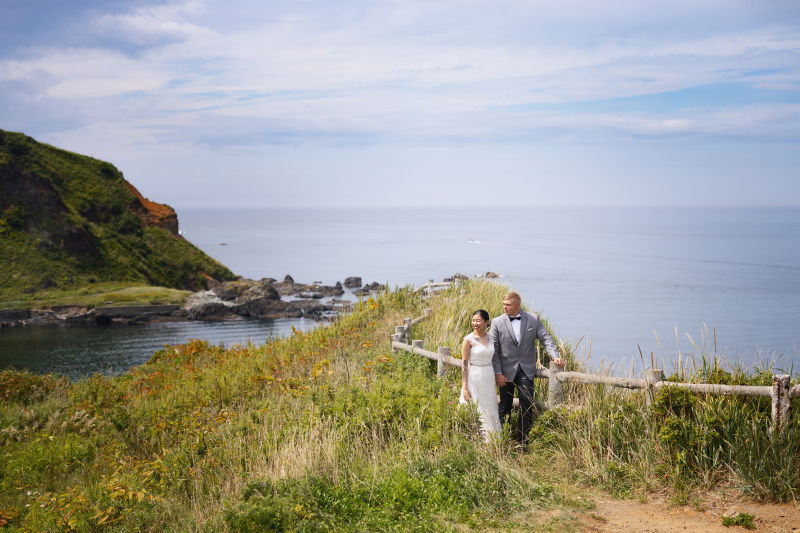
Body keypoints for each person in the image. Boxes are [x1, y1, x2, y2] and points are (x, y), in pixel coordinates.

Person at [492, 292, 565, 448]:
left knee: (526, 402)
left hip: (526, 369)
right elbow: (494, 350)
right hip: (505, 371)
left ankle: (523, 443)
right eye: (504, 304)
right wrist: (497, 373)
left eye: (508, 304)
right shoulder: (496, 322)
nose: (504, 307)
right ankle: (501, 441)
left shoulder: (533, 318)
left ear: (517, 305)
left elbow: (545, 338)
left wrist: (555, 356)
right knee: (505, 404)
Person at [459, 309, 502, 440]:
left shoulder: (491, 338)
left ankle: (493, 438)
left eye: (478, 320)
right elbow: (464, 364)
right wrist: (465, 385)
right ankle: (475, 437)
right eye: (473, 320)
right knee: (476, 406)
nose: (475, 323)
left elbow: (496, 358)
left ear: (486, 322)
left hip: (488, 376)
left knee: (490, 404)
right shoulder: (468, 340)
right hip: (474, 376)